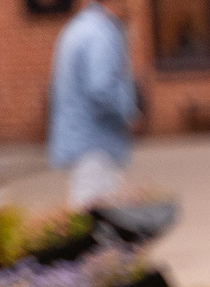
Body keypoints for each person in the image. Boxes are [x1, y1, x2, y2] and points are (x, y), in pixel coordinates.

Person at [47, 0, 137, 210]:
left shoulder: (77, 27)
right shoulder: (102, 34)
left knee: (88, 208)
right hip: (96, 140)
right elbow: (101, 88)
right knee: (95, 213)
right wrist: (128, 113)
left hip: (78, 136)